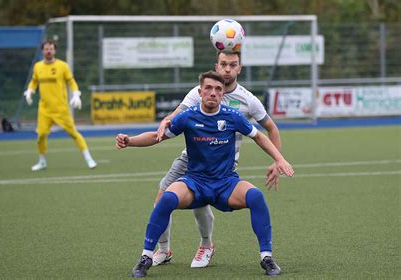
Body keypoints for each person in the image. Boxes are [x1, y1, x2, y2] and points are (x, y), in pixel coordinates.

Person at [116, 71, 294, 278]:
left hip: (225, 183)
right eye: (208, 88)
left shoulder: (233, 116)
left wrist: (279, 158)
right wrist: (130, 141)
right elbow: (157, 137)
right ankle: (146, 257)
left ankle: (267, 257)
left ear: (222, 93)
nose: (213, 92)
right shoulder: (188, 116)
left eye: (218, 89)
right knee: (166, 198)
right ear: (200, 92)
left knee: (256, 196)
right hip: (195, 183)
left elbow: (259, 137)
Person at [151, 51, 282, 268]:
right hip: (190, 158)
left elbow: (270, 129)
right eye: (223, 64)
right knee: (161, 201)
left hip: (224, 164)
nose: (227, 69)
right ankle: (164, 250)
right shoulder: (199, 91)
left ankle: (206, 245)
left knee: (200, 203)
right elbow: (177, 114)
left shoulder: (248, 100)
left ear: (240, 68)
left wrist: (277, 161)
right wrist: (166, 120)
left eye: (233, 65)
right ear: (217, 66)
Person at [23, 40, 97, 171]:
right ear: (42, 51)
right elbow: (34, 81)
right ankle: (42, 162)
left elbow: (71, 81)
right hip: (44, 110)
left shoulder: (62, 66)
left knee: (74, 134)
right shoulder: (38, 66)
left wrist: (76, 94)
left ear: (55, 50)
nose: (49, 51)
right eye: (46, 49)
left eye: (51, 48)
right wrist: (30, 90)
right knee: (41, 136)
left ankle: (89, 158)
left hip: (61, 109)